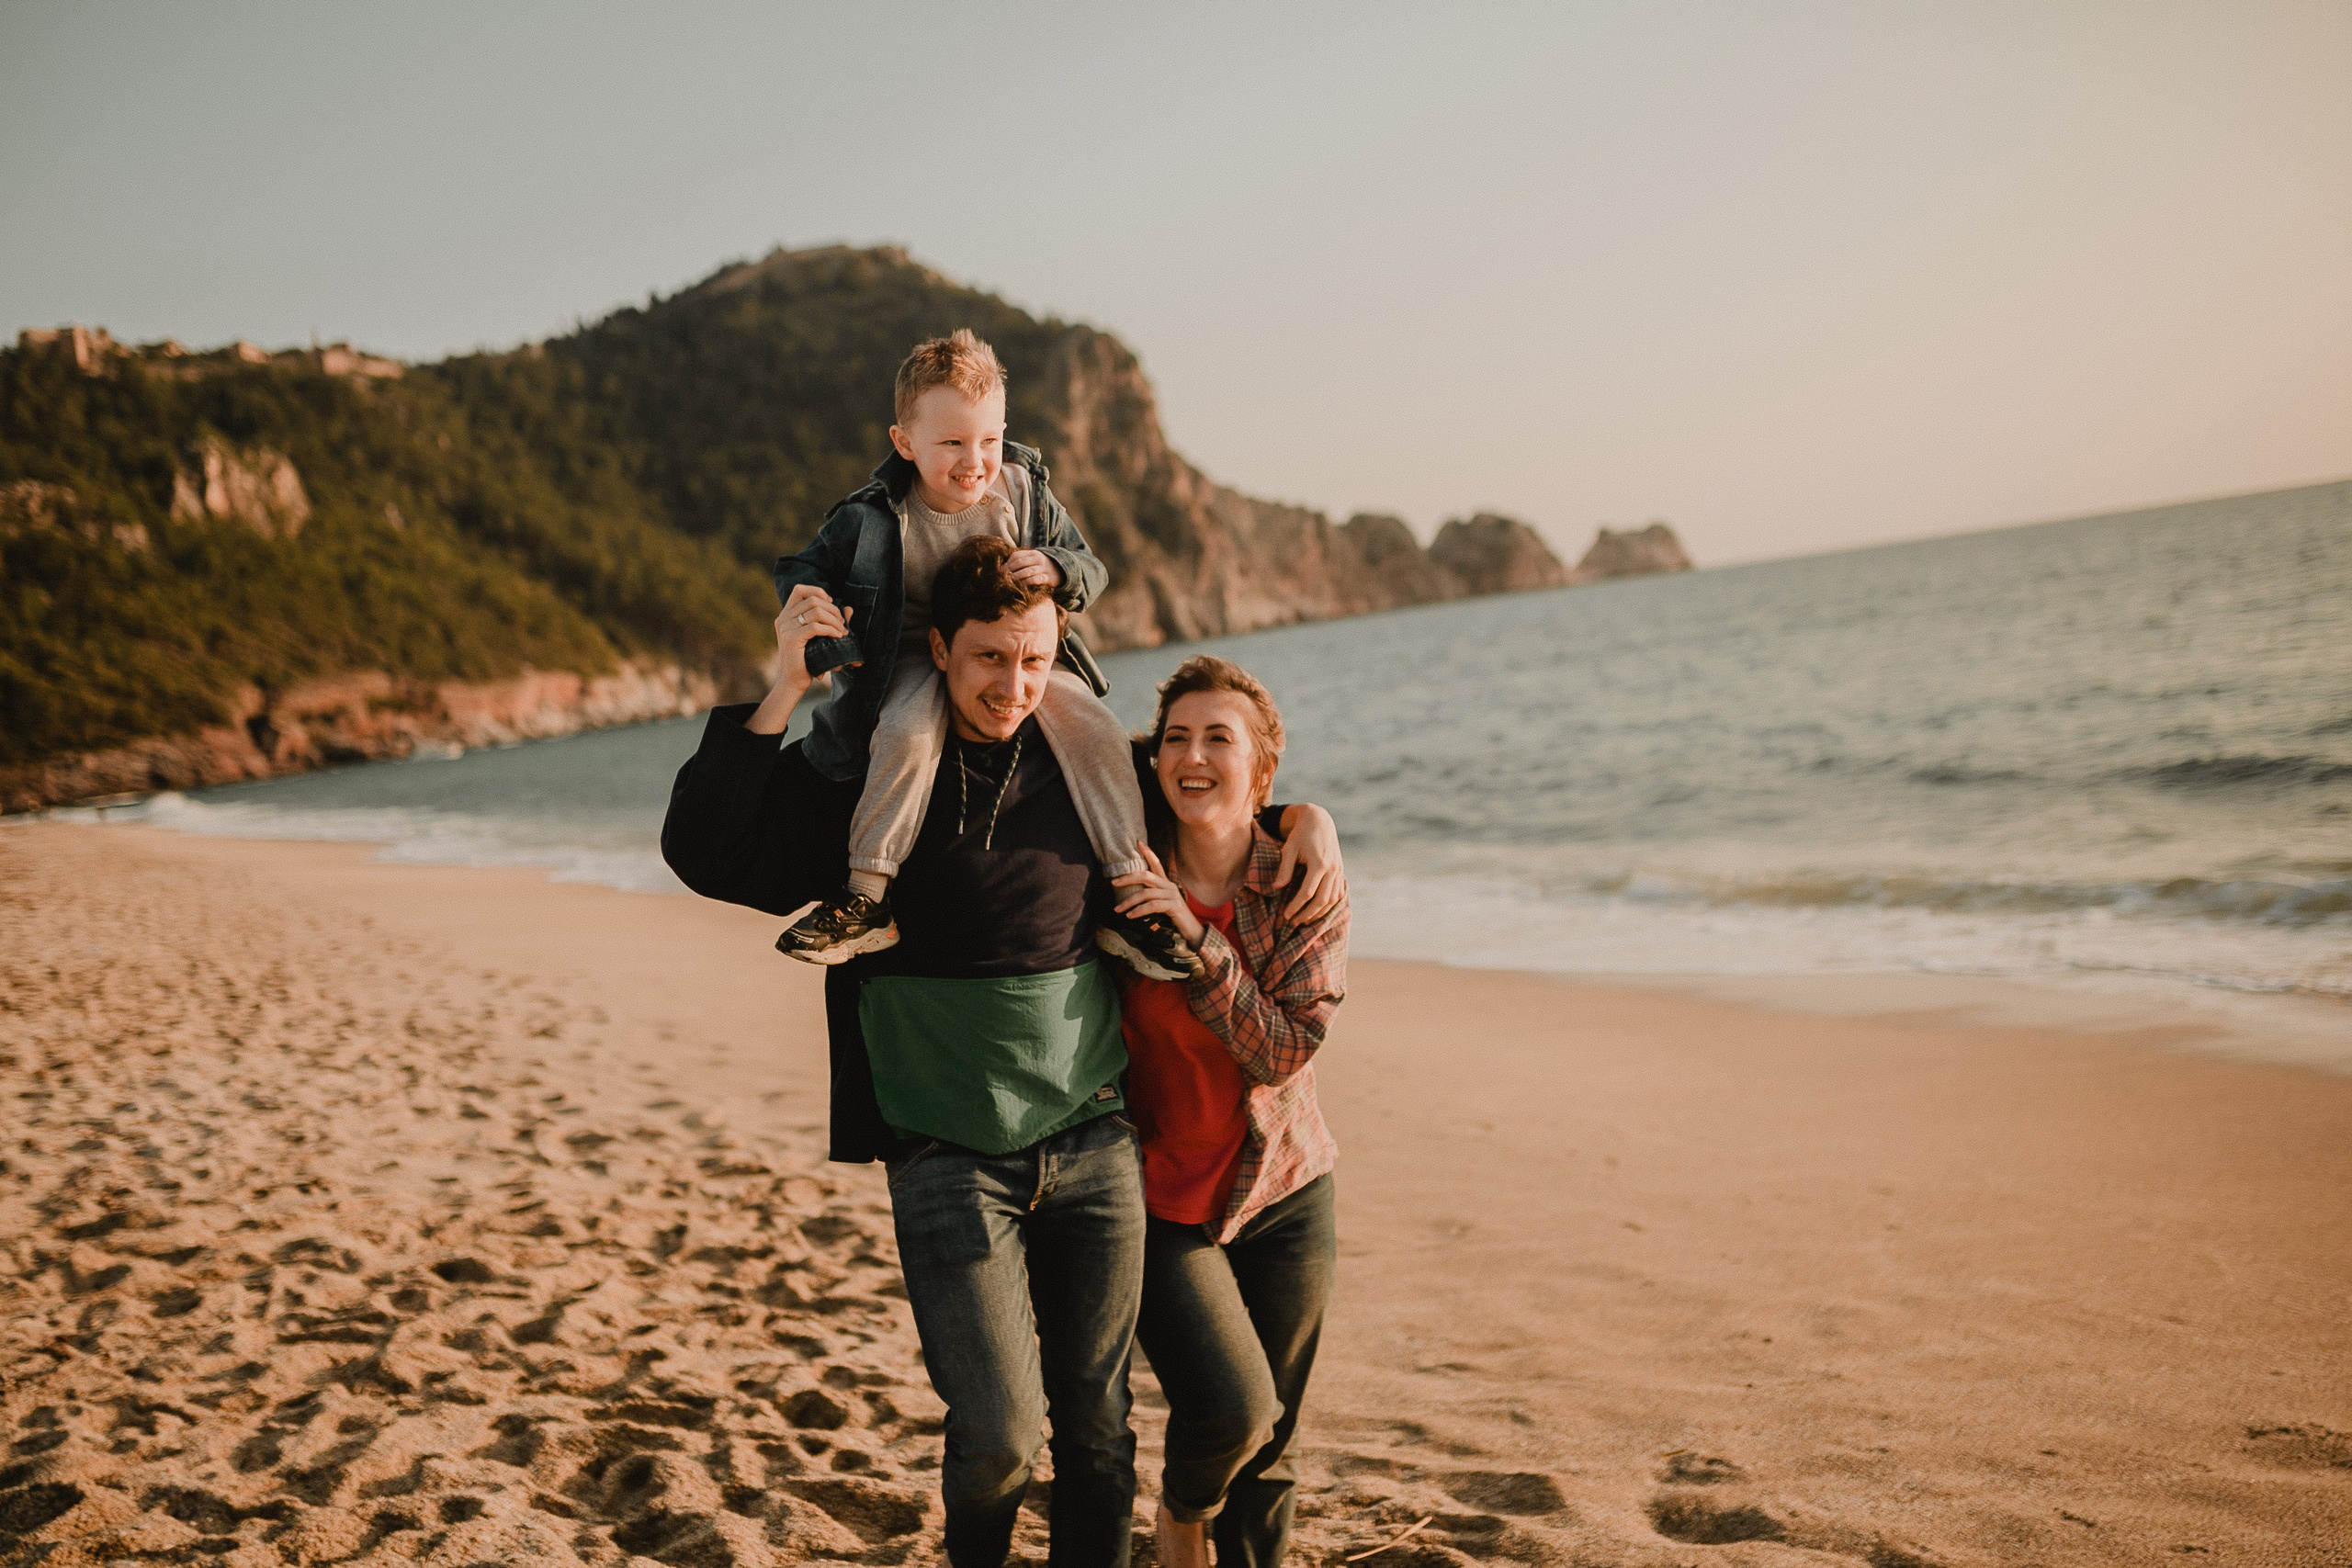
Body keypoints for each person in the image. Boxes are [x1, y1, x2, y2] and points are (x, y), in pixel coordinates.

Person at [660, 540, 1345, 1568]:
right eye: (988, 659)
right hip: (944, 1153)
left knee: (1102, 1434)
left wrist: (1307, 820)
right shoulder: (881, 777)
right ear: (939, 648)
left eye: (1033, 661)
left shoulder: (1094, 770)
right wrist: (779, 690)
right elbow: (712, 852)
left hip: (1092, 1138)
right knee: (998, 1439)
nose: (1011, 686)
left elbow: (1214, 804)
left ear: (1058, 652)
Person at [768, 327, 1193, 981]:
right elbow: (801, 568)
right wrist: (825, 621)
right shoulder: (876, 518)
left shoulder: (1022, 492)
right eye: (952, 443)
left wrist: (1054, 566)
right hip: (910, 656)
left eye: (990, 440)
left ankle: (1130, 898)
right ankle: (867, 895)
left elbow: (1091, 568)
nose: (975, 461)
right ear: (904, 443)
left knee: (1099, 731)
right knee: (906, 734)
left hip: (1016, 654)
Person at [1102, 656, 1348, 1568]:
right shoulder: (1118, 863)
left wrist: (1197, 941)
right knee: (1235, 1407)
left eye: (1220, 739)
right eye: (1176, 738)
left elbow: (1284, 1047)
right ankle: (1180, 1512)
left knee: (1274, 1451)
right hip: (1158, 1198)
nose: (1194, 757)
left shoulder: (1302, 883)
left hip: (1284, 1187)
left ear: (1263, 771)